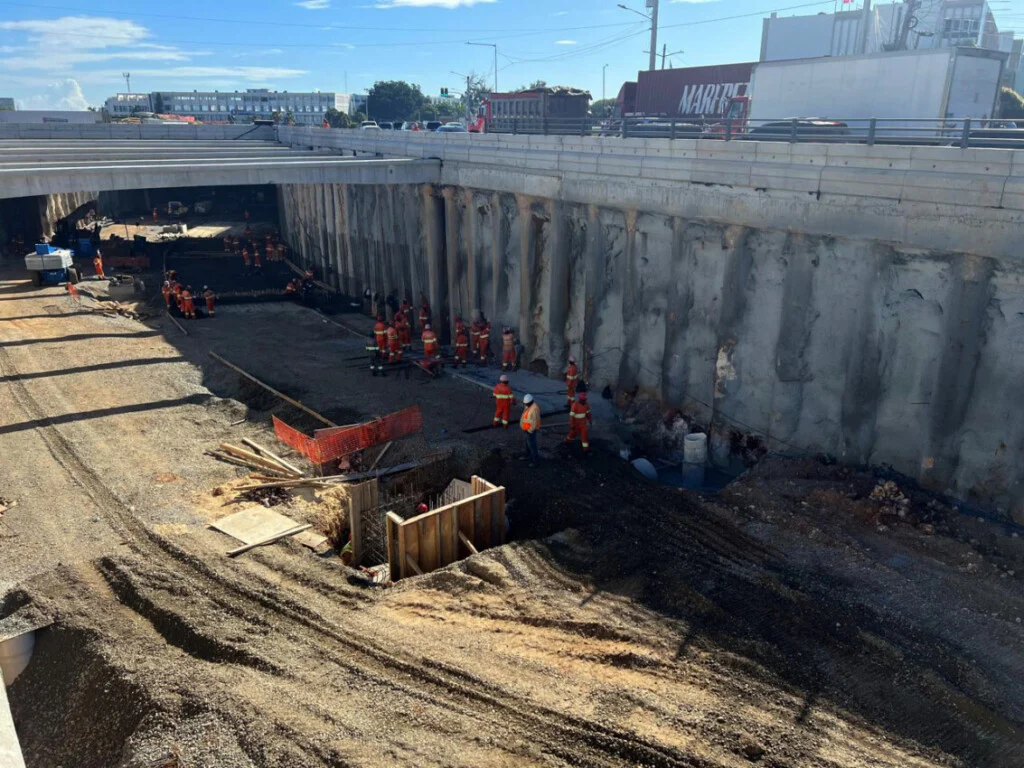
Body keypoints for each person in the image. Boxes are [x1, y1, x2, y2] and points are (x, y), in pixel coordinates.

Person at [520, 394, 541, 467]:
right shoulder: (528, 406)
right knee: (527, 444)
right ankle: (527, 455)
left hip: (530, 431)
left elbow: (535, 422)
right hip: (526, 429)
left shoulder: (534, 409)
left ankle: (535, 461)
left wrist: (530, 430)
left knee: (532, 446)